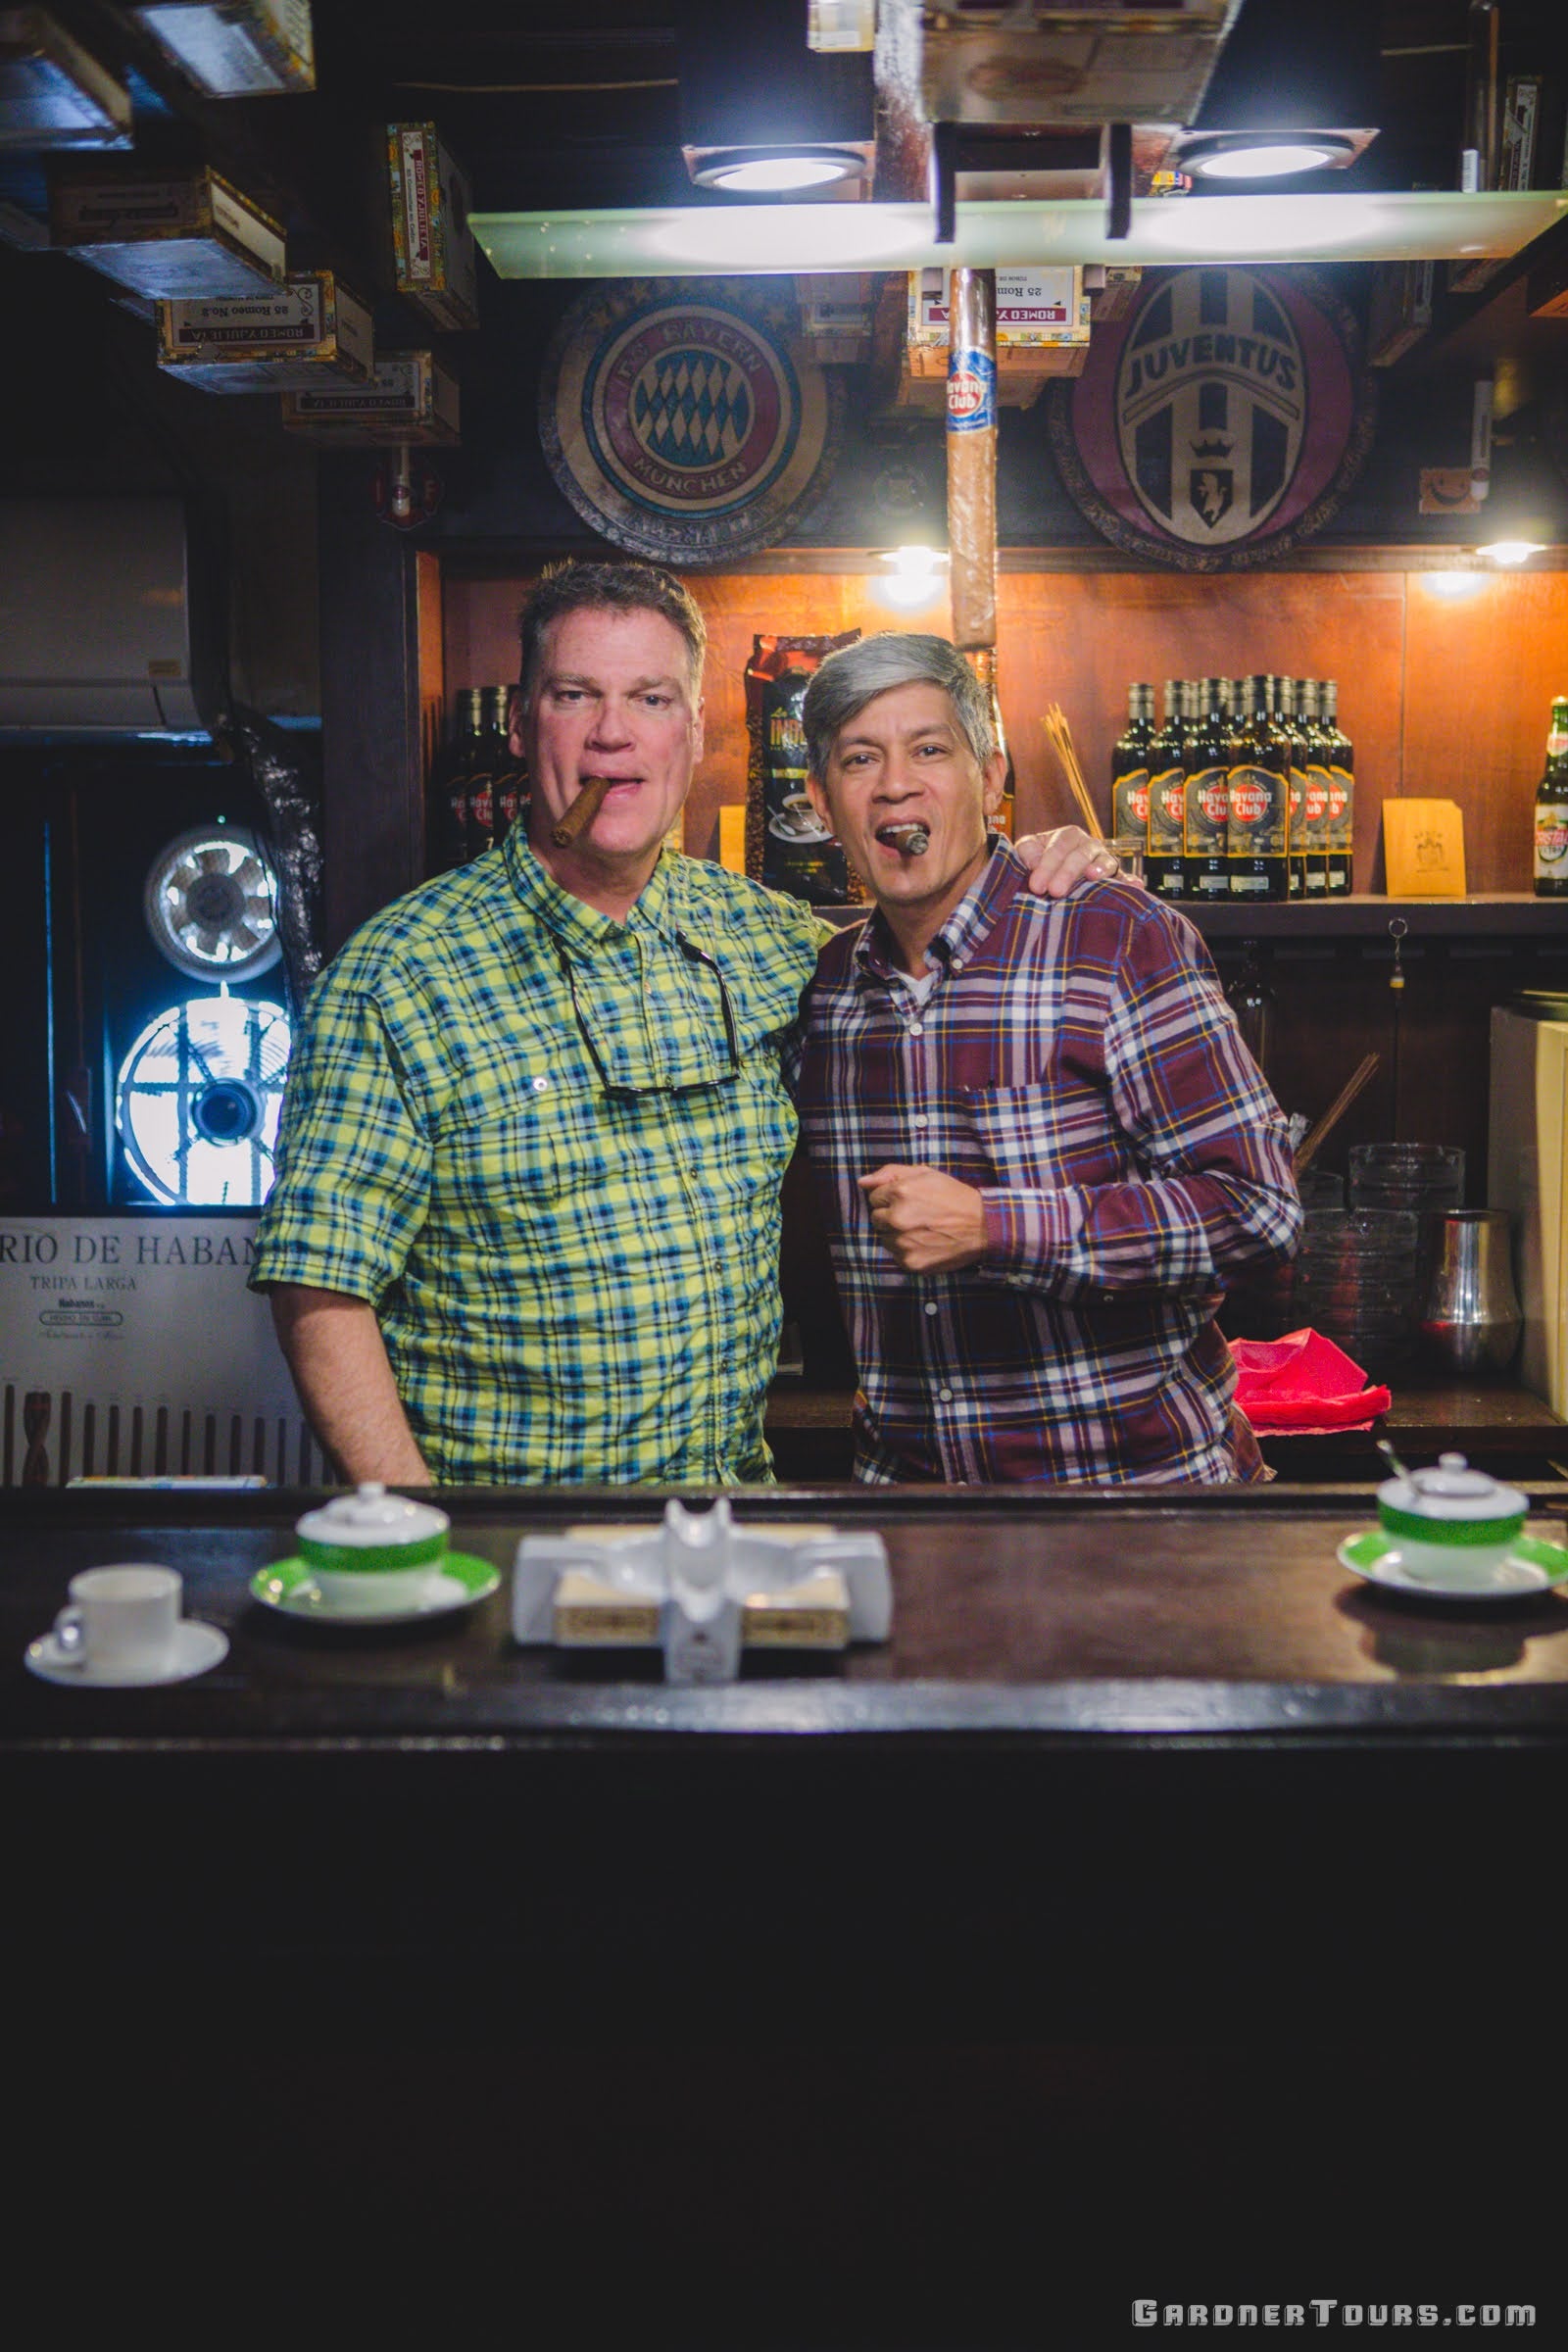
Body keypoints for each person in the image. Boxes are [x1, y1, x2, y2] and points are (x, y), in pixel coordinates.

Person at [251, 562, 1116, 1485]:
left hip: (725, 1527)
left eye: (651, 698)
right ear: (519, 722)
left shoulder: (773, 942)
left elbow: (938, 961)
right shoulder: (398, 975)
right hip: (506, 1541)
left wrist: (1028, 871)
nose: (612, 734)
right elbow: (321, 1286)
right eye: (574, 695)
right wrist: (415, 1533)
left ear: (695, 733)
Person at [792, 630, 1301, 1486]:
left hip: (1134, 1509)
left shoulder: (1114, 936)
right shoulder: (824, 989)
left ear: (991, 779)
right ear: (819, 797)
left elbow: (1258, 1214)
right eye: (858, 760)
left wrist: (998, 1226)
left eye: (930, 750)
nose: (895, 786)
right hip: (913, 1510)